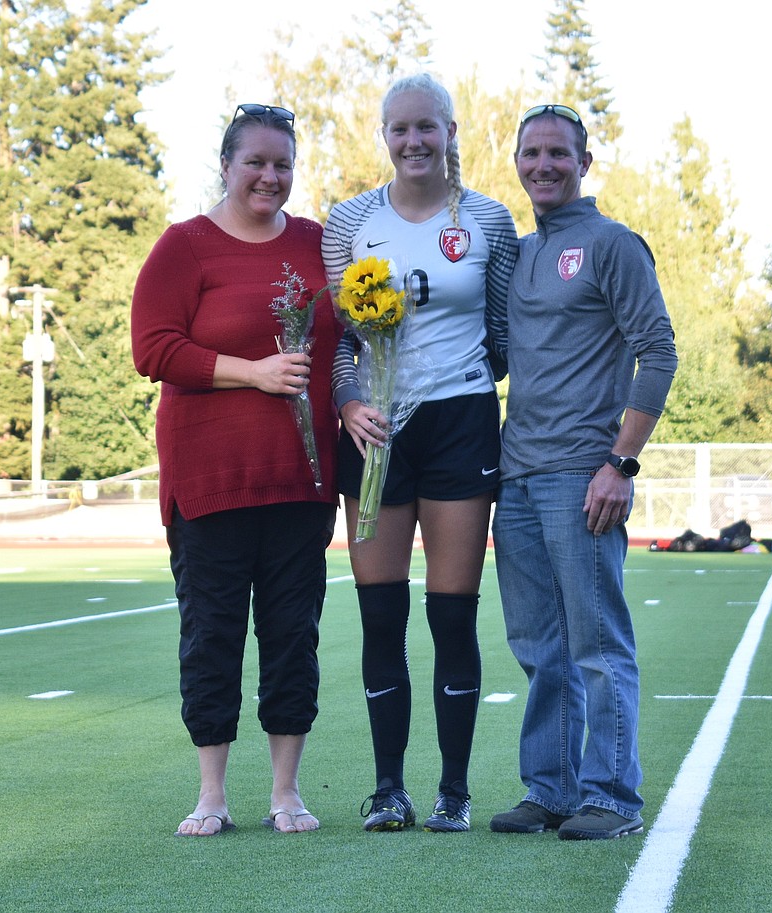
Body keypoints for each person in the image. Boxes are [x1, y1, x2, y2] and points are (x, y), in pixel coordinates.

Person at [131, 103, 342, 837]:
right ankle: (212, 793)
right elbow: (153, 348)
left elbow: (347, 344)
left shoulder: (320, 244)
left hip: (299, 483)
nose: (270, 176)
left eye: (282, 164)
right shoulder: (184, 247)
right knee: (211, 636)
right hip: (209, 486)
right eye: (255, 161)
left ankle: (286, 791)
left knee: (293, 638)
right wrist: (251, 372)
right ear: (225, 164)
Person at [321, 72, 519, 833]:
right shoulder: (350, 222)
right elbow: (339, 338)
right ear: (384, 136)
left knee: (451, 617)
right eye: (399, 129)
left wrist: (452, 382)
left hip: (460, 424)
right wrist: (350, 402)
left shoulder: (490, 221)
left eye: (426, 127)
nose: (413, 142)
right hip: (374, 433)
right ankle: (388, 789)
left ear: (450, 131)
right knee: (380, 616)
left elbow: (502, 336)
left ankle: (454, 791)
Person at [487, 104, 678, 841]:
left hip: (583, 475)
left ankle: (613, 797)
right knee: (539, 646)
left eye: (558, 153)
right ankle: (551, 789)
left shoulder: (612, 243)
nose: (543, 165)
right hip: (519, 476)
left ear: (584, 162)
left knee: (596, 642)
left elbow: (656, 352)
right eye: (531, 153)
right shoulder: (526, 252)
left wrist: (620, 463)